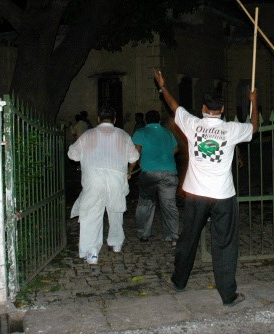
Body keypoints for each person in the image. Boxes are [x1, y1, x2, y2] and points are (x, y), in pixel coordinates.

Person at [153, 69, 259, 307]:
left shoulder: (192, 124)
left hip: (196, 194)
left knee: (188, 238)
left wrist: (162, 86)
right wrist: (254, 102)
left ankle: (179, 281)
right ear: (221, 110)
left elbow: (174, 106)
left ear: (203, 108)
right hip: (222, 196)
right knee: (224, 243)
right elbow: (254, 128)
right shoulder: (231, 129)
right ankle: (228, 295)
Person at [68, 105, 139, 265]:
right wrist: (128, 170)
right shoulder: (123, 135)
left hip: (93, 179)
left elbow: (73, 155)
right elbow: (134, 158)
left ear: (98, 119)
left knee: (91, 214)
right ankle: (116, 243)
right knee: (116, 211)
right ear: (114, 120)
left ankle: (91, 252)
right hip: (116, 178)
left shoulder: (88, 134)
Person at [132, 109, 179, 247]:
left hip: (149, 173)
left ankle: (143, 234)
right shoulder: (167, 133)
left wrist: (130, 169)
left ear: (146, 120)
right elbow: (176, 149)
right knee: (169, 205)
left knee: (146, 203)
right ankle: (173, 236)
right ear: (159, 120)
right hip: (169, 172)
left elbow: (136, 153)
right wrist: (163, 154)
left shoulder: (140, 132)